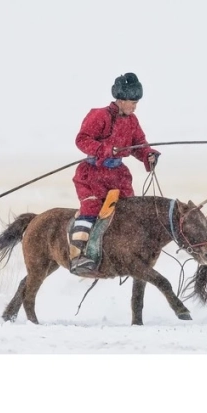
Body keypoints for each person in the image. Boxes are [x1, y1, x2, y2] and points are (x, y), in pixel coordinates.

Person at [69, 72, 161, 276]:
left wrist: (148, 155)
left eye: (136, 103)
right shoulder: (99, 115)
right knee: (92, 209)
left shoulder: (132, 121)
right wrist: (105, 149)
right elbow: (82, 140)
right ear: (121, 99)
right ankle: (80, 255)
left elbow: (140, 145)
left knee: (130, 211)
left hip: (118, 177)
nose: (135, 107)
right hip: (93, 175)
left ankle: (126, 253)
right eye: (133, 103)